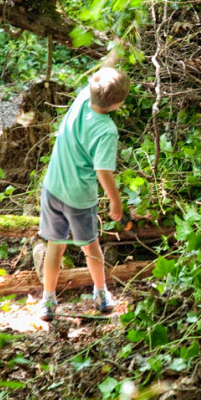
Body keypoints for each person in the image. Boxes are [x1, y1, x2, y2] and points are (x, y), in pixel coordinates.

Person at [33, 54, 129, 321]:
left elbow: (104, 70)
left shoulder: (82, 98)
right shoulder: (107, 130)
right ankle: (101, 293)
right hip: (78, 198)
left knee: (55, 244)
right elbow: (103, 171)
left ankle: (48, 301)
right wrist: (115, 201)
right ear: (118, 104)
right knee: (91, 247)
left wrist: (117, 50)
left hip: (52, 187)